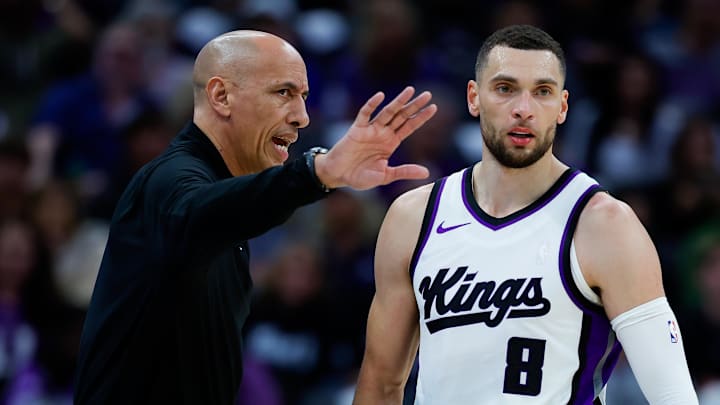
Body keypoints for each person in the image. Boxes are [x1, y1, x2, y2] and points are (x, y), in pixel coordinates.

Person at [73, 29, 437, 405]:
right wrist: (317, 172)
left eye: (305, 97)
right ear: (221, 96)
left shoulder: (227, 203)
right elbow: (203, 213)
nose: (302, 117)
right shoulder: (167, 180)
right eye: (284, 93)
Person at [352, 25, 698, 404]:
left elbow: (673, 395)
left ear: (563, 107)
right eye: (505, 89)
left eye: (543, 92)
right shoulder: (413, 217)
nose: (523, 109)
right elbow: (381, 385)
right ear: (474, 97)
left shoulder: (604, 224)